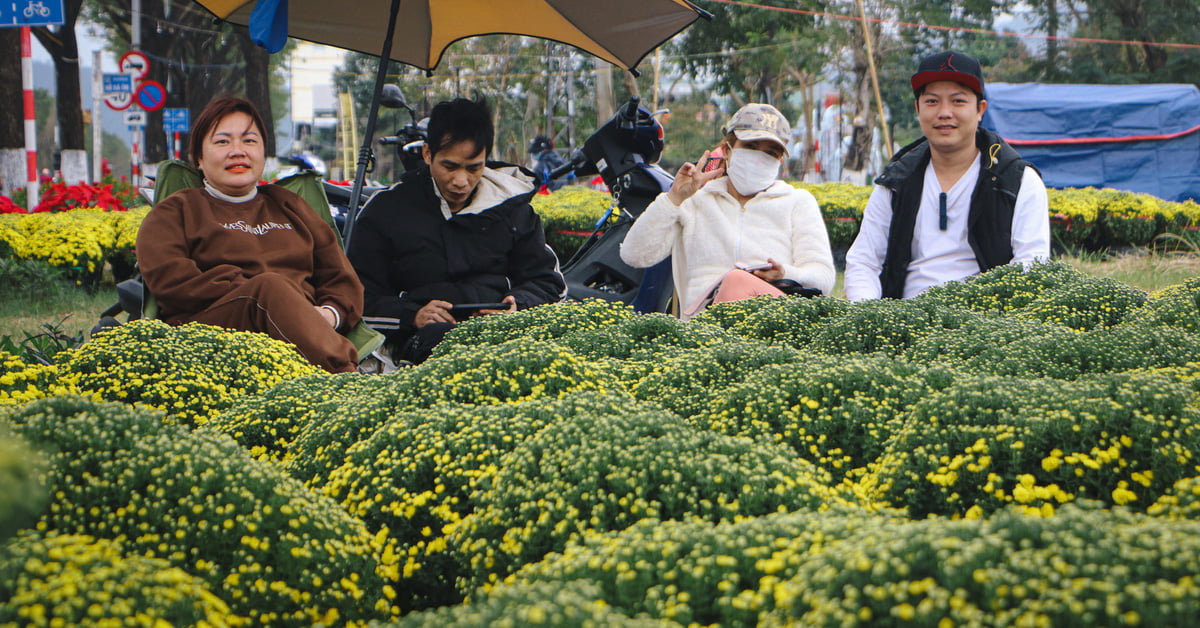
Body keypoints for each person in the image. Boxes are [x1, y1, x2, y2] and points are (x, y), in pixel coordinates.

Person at [136, 95, 363, 373]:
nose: (237, 151)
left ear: (263, 152)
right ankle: (346, 376)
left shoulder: (289, 205)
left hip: (306, 332)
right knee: (269, 287)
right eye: (222, 141)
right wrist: (259, 291)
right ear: (199, 158)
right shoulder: (176, 210)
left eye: (249, 140)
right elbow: (172, 282)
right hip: (213, 331)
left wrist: (327, 315)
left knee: (272, 288)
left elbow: (341, 278)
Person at [347, 97, 566, 364]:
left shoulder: (513, 208)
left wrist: (517, 304)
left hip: (506, 338)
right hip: (419, 347)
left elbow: (549, 283)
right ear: (428, 154)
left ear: (486, 157)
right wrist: (412, 315)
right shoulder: (385, 211)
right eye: (449, 166)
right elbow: (355, 297)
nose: (461, 181)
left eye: (474, 168)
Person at [844, 50, 1051, 301]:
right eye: (932, 101)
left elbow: (1032, 264)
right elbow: (863, 262)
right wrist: (871, 318)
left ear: (980, 109)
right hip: (906, 321)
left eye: (958, 101)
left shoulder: (1017, 181)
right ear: (917, 108)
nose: (944, 113)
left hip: (987, 324)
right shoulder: (896, 182)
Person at [619, 103, 836, 319]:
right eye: (751, 146)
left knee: (736, 281)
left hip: (773, 324)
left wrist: (785, 273)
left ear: (779, 161)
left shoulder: (797, 202)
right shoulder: (695, 203)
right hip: (705, 325)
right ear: (727, 150)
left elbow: (823, 277)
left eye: (770, 152)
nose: (759, 158)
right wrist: (674, 198)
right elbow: (634, 255)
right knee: (735, 281)